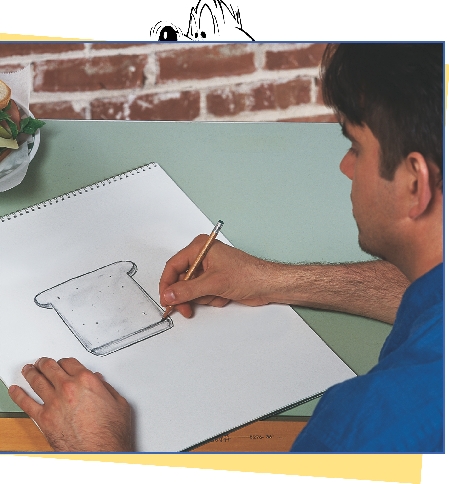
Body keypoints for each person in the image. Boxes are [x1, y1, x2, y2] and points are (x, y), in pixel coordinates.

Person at [8, 43, 443, 452]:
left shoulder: (371, 428)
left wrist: (99, 450)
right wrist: (275, 280)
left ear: (414, 182)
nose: (345, 167)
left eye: (356, 147)